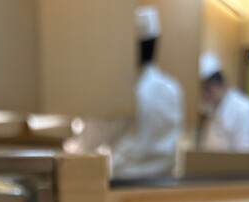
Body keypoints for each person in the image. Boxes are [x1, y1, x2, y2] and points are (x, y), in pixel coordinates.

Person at [66, 5, 184, 180]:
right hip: (165, 182)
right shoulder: (173, 88)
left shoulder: (121, 90)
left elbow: (88, 143)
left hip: (124, 183)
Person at [198, 51, 249, 153]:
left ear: (215, 85)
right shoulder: (213, 113)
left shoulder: (244, 112)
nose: (204, 95)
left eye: (206, 89)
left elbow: (246, 158)